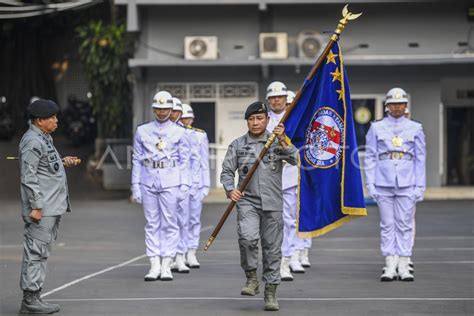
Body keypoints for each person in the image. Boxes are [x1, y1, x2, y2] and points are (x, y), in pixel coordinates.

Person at [220, 101, 298, 311]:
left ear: (267, 120)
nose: (255, 123)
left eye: (260, 118)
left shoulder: (275, 142)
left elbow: (295, 158)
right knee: (247, 238)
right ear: (247, 121)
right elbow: (227, 171)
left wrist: (282, 139)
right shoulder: (237, 145)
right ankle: (251, 277)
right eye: (252, 119)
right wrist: (230, 189)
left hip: (273, 202)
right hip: (248, 202)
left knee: (272, 250)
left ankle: (270, 292)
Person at [19, 99, 79, 314]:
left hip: (51, 206)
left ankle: (35, 297)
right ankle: (30, 300)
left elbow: (44, 165)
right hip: (42, 208)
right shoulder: (32, 142)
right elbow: (29, 176)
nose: (56, 121)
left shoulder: (44, 138)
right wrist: (36, 206)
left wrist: (62, 162)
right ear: (39, 120)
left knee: (41, 252)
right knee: (35, 252)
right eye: (52, 118)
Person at [364, 87, 426, 282]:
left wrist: (420, 186)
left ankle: (404, 263)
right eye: (393, 104)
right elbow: (371, 156)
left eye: (400, 104)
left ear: (406, 106)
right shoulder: (376, 127)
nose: (397, 107)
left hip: (408, 181)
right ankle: (390, 263)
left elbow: (420, 159)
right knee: (387, 224)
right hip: (383, 180)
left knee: (405, 224)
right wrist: (370, 183)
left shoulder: (415, 128)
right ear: (387, 106)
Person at [131, 91, 190, 281]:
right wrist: (135, 185)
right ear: (154, 109)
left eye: (165, 109)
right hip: (148, 179)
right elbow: (137, 160)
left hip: (171, 180)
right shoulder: (142, 131)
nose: (162, 112)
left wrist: (184, 185)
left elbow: (185, 161)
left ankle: (166, 265)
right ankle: (154, 264)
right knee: (152, 224)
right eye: (159, 108)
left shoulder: (180, 131)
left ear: (171, 109)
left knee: (170, 223)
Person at [265, 82, 304, 282]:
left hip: (289, 176)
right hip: (268, 177)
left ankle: (286, 261)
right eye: (273, 97)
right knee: (270, 223)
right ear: (268, 100)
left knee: (289, 222)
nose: (277, 100)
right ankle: (272, 262)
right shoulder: (261, 119)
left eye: (280, 97)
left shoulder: (295, 119)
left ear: (285, 100)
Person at [180, 103, 211, 268]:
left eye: (188, 117)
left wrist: (206, 184)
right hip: (179, 184)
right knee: (180, 220)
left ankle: (191, 252)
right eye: (183, 117)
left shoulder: (200, 135)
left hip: (196, 183)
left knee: (193, 220)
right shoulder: (175, 134)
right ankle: (180, 253)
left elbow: (204, 161)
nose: (185, 120)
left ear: (192, 118)